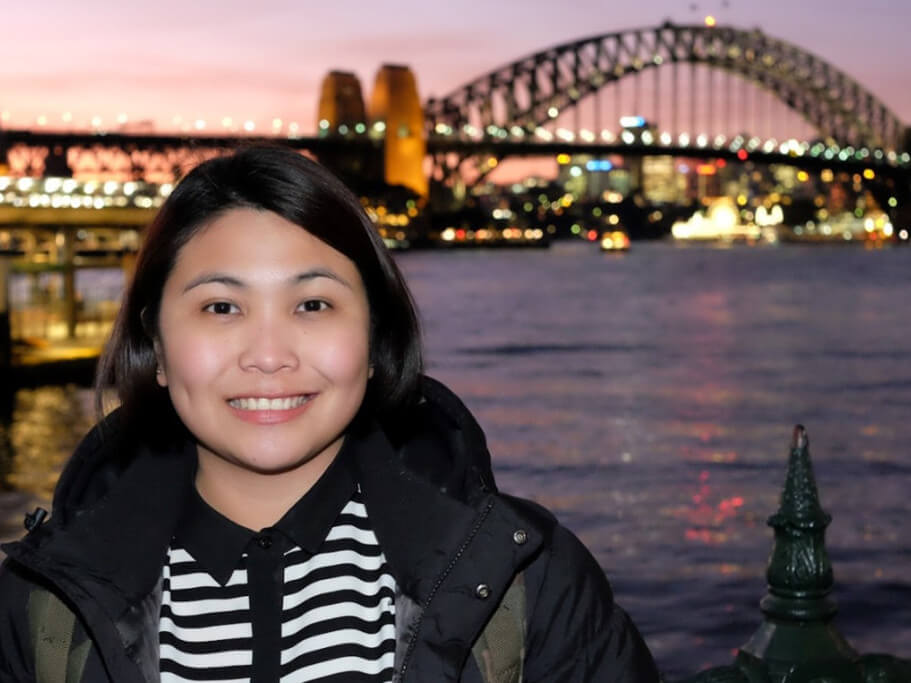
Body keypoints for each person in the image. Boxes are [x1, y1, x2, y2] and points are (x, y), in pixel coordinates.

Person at [0, 146, 659, 682]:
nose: (268, 355)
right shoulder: (39, 609)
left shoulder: (529, 580)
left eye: (312, 305)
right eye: (221, 307)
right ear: (158, 348)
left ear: (374, 339)